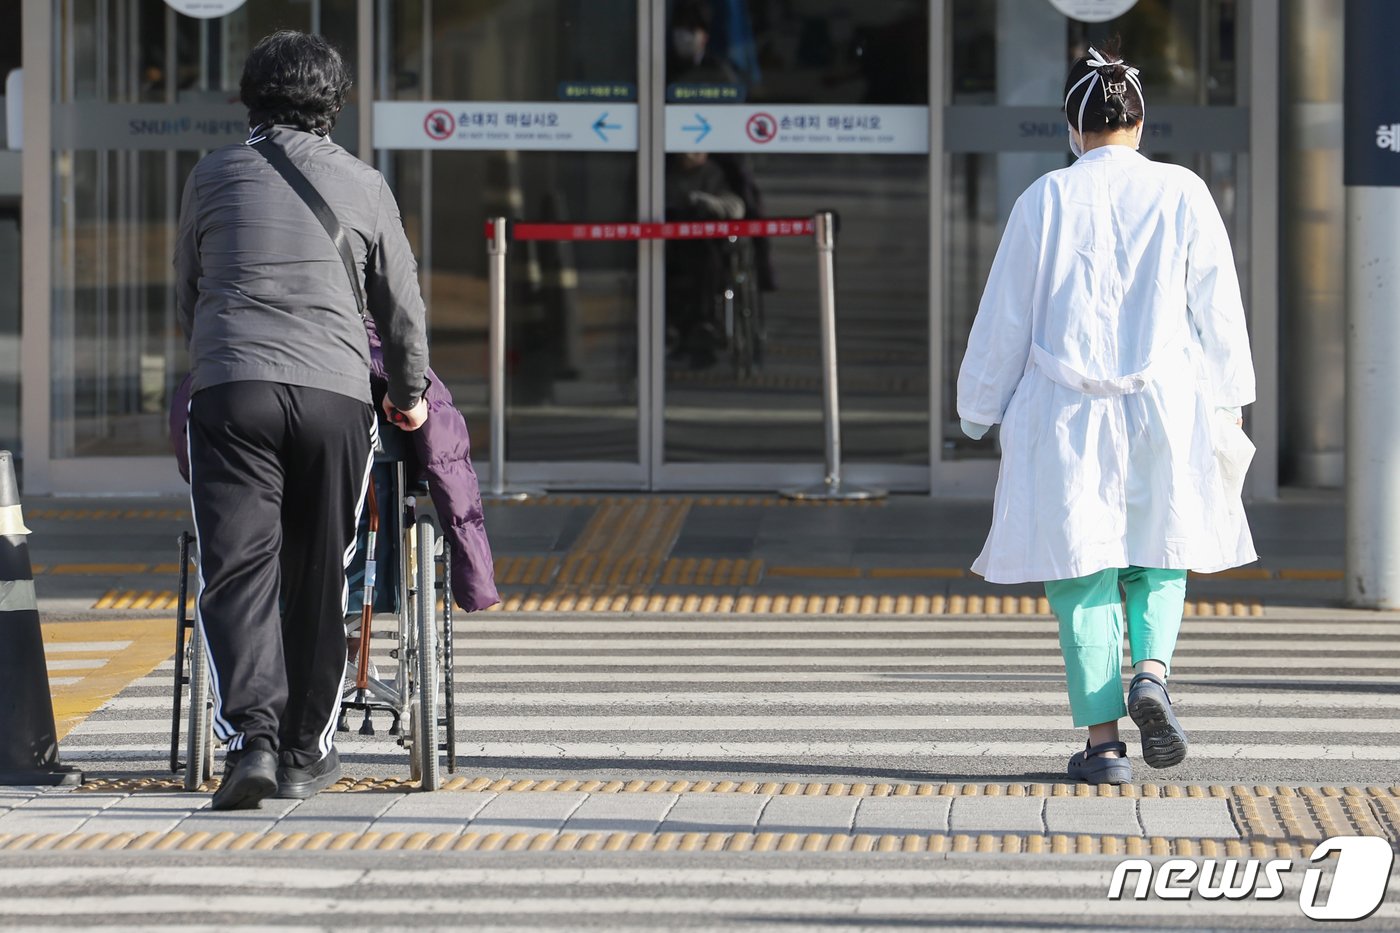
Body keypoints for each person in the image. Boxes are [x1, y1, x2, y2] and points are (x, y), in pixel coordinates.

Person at [956, 42, 1256, 785]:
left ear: (1073, 127)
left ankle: (1102, 747)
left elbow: (1005, 318)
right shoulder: (1184, 191)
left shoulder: (1044, 200)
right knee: (1160, 549)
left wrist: (976, 407)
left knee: (1081, 571)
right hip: (1165, 400)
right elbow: (1218, 307)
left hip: (1067, 410)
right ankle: (1151, 671)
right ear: (1141, 123)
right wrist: (1229, 400)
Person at [174, 31, 430, 810]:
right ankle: (301, 751)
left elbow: (186, 293)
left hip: (232, 388)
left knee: (238, 565)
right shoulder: (365, 183)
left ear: (249, 98)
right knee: (324, 567)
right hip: (334, 397)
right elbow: (402, 309)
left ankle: (249, 737)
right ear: (335, 103)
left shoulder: (211, 175)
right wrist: (411, 394)